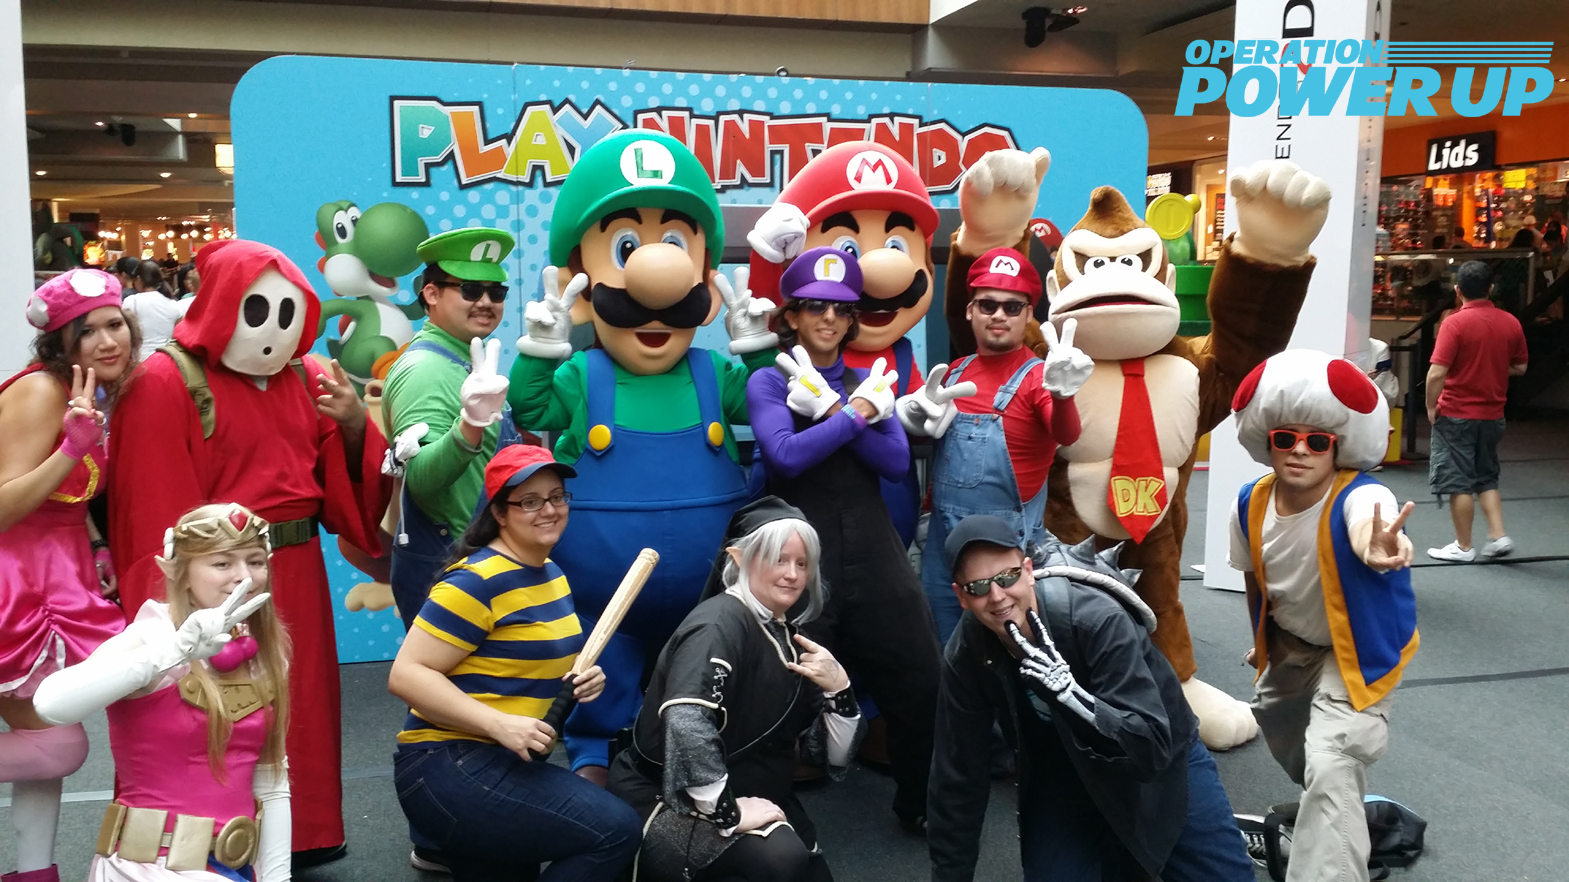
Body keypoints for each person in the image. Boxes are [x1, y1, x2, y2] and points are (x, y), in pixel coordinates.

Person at [108, 239, 393, 867]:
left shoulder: (309, 376)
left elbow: (343, 490)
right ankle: (205, 839)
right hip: (213, 579)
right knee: (209, 705)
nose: (272, 328)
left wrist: (353, 425)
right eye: (257, 309)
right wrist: (174, 609)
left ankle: (304, 832)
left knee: (299, 705)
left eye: (287, 312)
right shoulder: (165, 380)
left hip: (295, 572)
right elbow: (151, 516)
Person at [508, 129, 776, 780]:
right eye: (625, 247)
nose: (656, 285)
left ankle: (700, 763)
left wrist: (757, 349)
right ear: (582, 281)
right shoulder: (584, 375)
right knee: (602, 677)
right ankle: (593, 754)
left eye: (676, 245)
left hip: (705, 600)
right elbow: (532, 409)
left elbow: (769, 409)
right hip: (604, 603)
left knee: (704, 684)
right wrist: (540, 348)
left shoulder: (713, 374)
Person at [928, 514, 1254, 882]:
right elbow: (957, 772)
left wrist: (1073, 698)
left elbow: (1150, 749)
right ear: (961, 596)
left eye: (1007, 577)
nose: (997, 596)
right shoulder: (968, 651)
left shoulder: (1095, 619)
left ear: (1028, 571)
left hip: (1161, 756)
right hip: (1061, 769)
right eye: (978, 587)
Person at [744, 246, 939, 835]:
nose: (829, 318)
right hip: (797, 558)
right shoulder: (768, 380)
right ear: (792, 316)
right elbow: (785, 456)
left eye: (841, 309)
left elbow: (894, 461)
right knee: (778, 689)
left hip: (874, 550)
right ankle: (768, 821)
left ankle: (920, 800)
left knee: (920, 674)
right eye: (814, 306)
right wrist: (851, 415)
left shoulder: (867, 380)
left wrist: (837, 405)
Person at [388, 444, 641, 882]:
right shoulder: (476, 581)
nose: (549, 510)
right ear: (499, 513)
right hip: (449, 766)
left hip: (508, 763)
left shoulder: (552, 575)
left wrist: (581, 680)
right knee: (615, 831)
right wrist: (498, 724)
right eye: (530, 501)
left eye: (557, 497)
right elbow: (406, 675)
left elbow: (520, 663)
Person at [1230, 348, 1420, 882]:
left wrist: (1378, 544)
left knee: (1333, 758)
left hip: (1356, 651)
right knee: (1282, 727)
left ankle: (1331, 842)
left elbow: (1369, 520)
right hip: (1292, 643)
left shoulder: (1362, 494)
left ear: (1339, 446)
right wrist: (1262, 644)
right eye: (1285, 437)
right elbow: (1255, 579)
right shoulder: (1249, 502)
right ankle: (1337, 806)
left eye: (1318, 441)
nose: (1299, 450)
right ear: (1267, 439)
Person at [33, 503, 292, 882]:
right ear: (178, 571)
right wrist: (173, 651)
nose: (244, 576)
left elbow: (271, 781)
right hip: (147, 868)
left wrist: (278, 878)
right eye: (222, 563)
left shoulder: (263, 649)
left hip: (232, 867)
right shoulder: (149, 637)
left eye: (255, 561)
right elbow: (51, 704)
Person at [609, 497, 858, 882]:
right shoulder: (717, 625)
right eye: (779, 559)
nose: (792, 574)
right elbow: (686, 721)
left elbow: (826, 757)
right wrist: (728, 812)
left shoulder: (787, 635)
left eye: (802, 563)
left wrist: (839, 690)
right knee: (780, 859)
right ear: (739, 558)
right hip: (670, 798)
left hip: (756, 792)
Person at [0, 270, 137, 882]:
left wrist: (96, 541)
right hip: (15, 586)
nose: (108, 341)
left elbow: (64, 499)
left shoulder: (83, 390)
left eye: (115, 324)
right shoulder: (40, 392)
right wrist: (69, 450)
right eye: (87, 332)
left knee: (47, 737)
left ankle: (35, 873)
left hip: (56, 577)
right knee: (57, 745)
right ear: (60, 342)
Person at [899, 247, 1089, 644]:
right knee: (945, 648)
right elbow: (932, 444)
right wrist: (914, 422)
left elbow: (1067, 434)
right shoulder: (955, 373)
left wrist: (1064, 397)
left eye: (1012, 306)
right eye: (988, 304)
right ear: (970, 311)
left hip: (1007, 556)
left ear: (1028, 314)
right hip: (943, 549)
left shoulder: (1039, 378)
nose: (999, 315)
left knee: (1011, 651)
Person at [383, 228, 521, 627]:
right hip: (455, 572)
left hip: (481, 564)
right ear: (431, 293)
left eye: (496, 292)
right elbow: (421, 479)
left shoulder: (462, 360)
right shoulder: (425, 370)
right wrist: (470, 427)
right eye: (471, 290)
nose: (486, 302)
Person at [1425, 260, 1528, 562]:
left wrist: (1430, 406)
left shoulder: (1454, 323)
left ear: (1458, 291)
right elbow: (1520, 367)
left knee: (1458, 481)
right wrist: (1490, 369)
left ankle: (1464, 546)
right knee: (1486, 477)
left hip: (1456, 412)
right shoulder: (1511, 322)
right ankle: (1498, 535)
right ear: (1491, 288)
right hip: (1493, 415)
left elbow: (1436, 373)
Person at [122, 259, 193, 361]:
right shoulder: (173, 304)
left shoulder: (132, 301)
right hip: (167, 359)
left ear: (139, 279)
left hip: (140, 359)